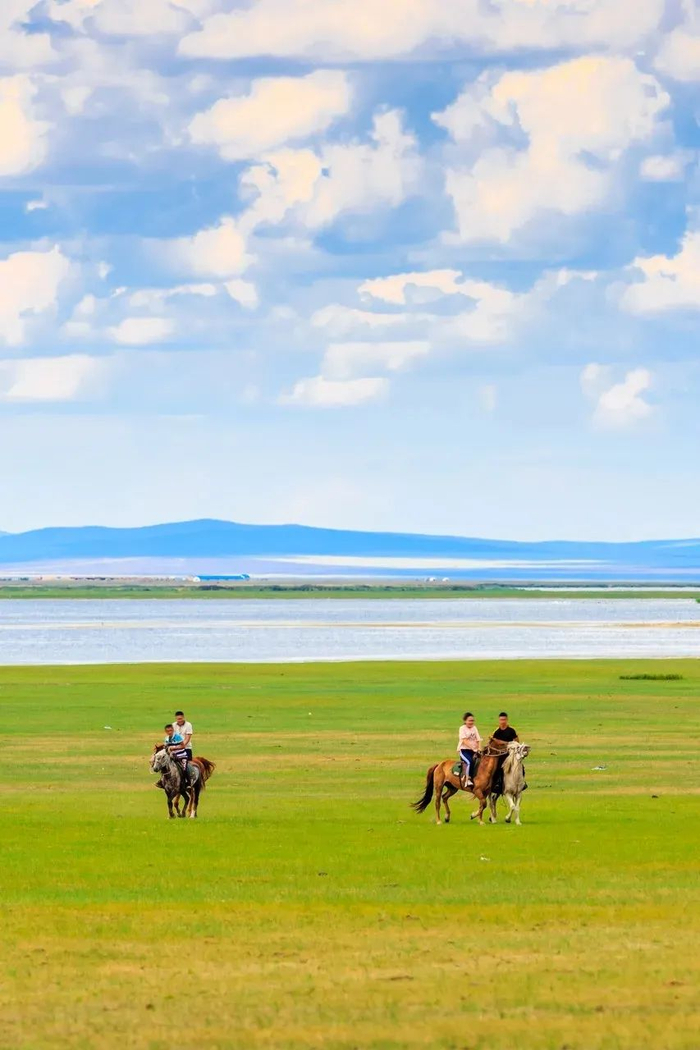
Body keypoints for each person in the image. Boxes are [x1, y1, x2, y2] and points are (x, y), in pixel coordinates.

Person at [491, 712, 523, 795]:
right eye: (501, 720)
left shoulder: (511, 730)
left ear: (507, 720)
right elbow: (493, 744)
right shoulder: (496, 732)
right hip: (500, 755)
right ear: (499, 720)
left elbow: (517, 741)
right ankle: (498, 785)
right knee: (498, 768)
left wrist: (504, 743)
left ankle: (521, 783)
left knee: (521, 767)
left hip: (511, 754)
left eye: (504, 719)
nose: (503, 721)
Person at [458, 711, 481, 789]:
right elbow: (464, 740)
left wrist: (479, 748)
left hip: (474, 751)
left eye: (472, 721)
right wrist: (473, 748)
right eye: (470, 720)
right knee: (469, 762)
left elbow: (478, 739)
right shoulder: (462, 728)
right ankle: (468, 779)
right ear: (465, 721)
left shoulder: (474, 728)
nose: (471, 722)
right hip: (464, 751)